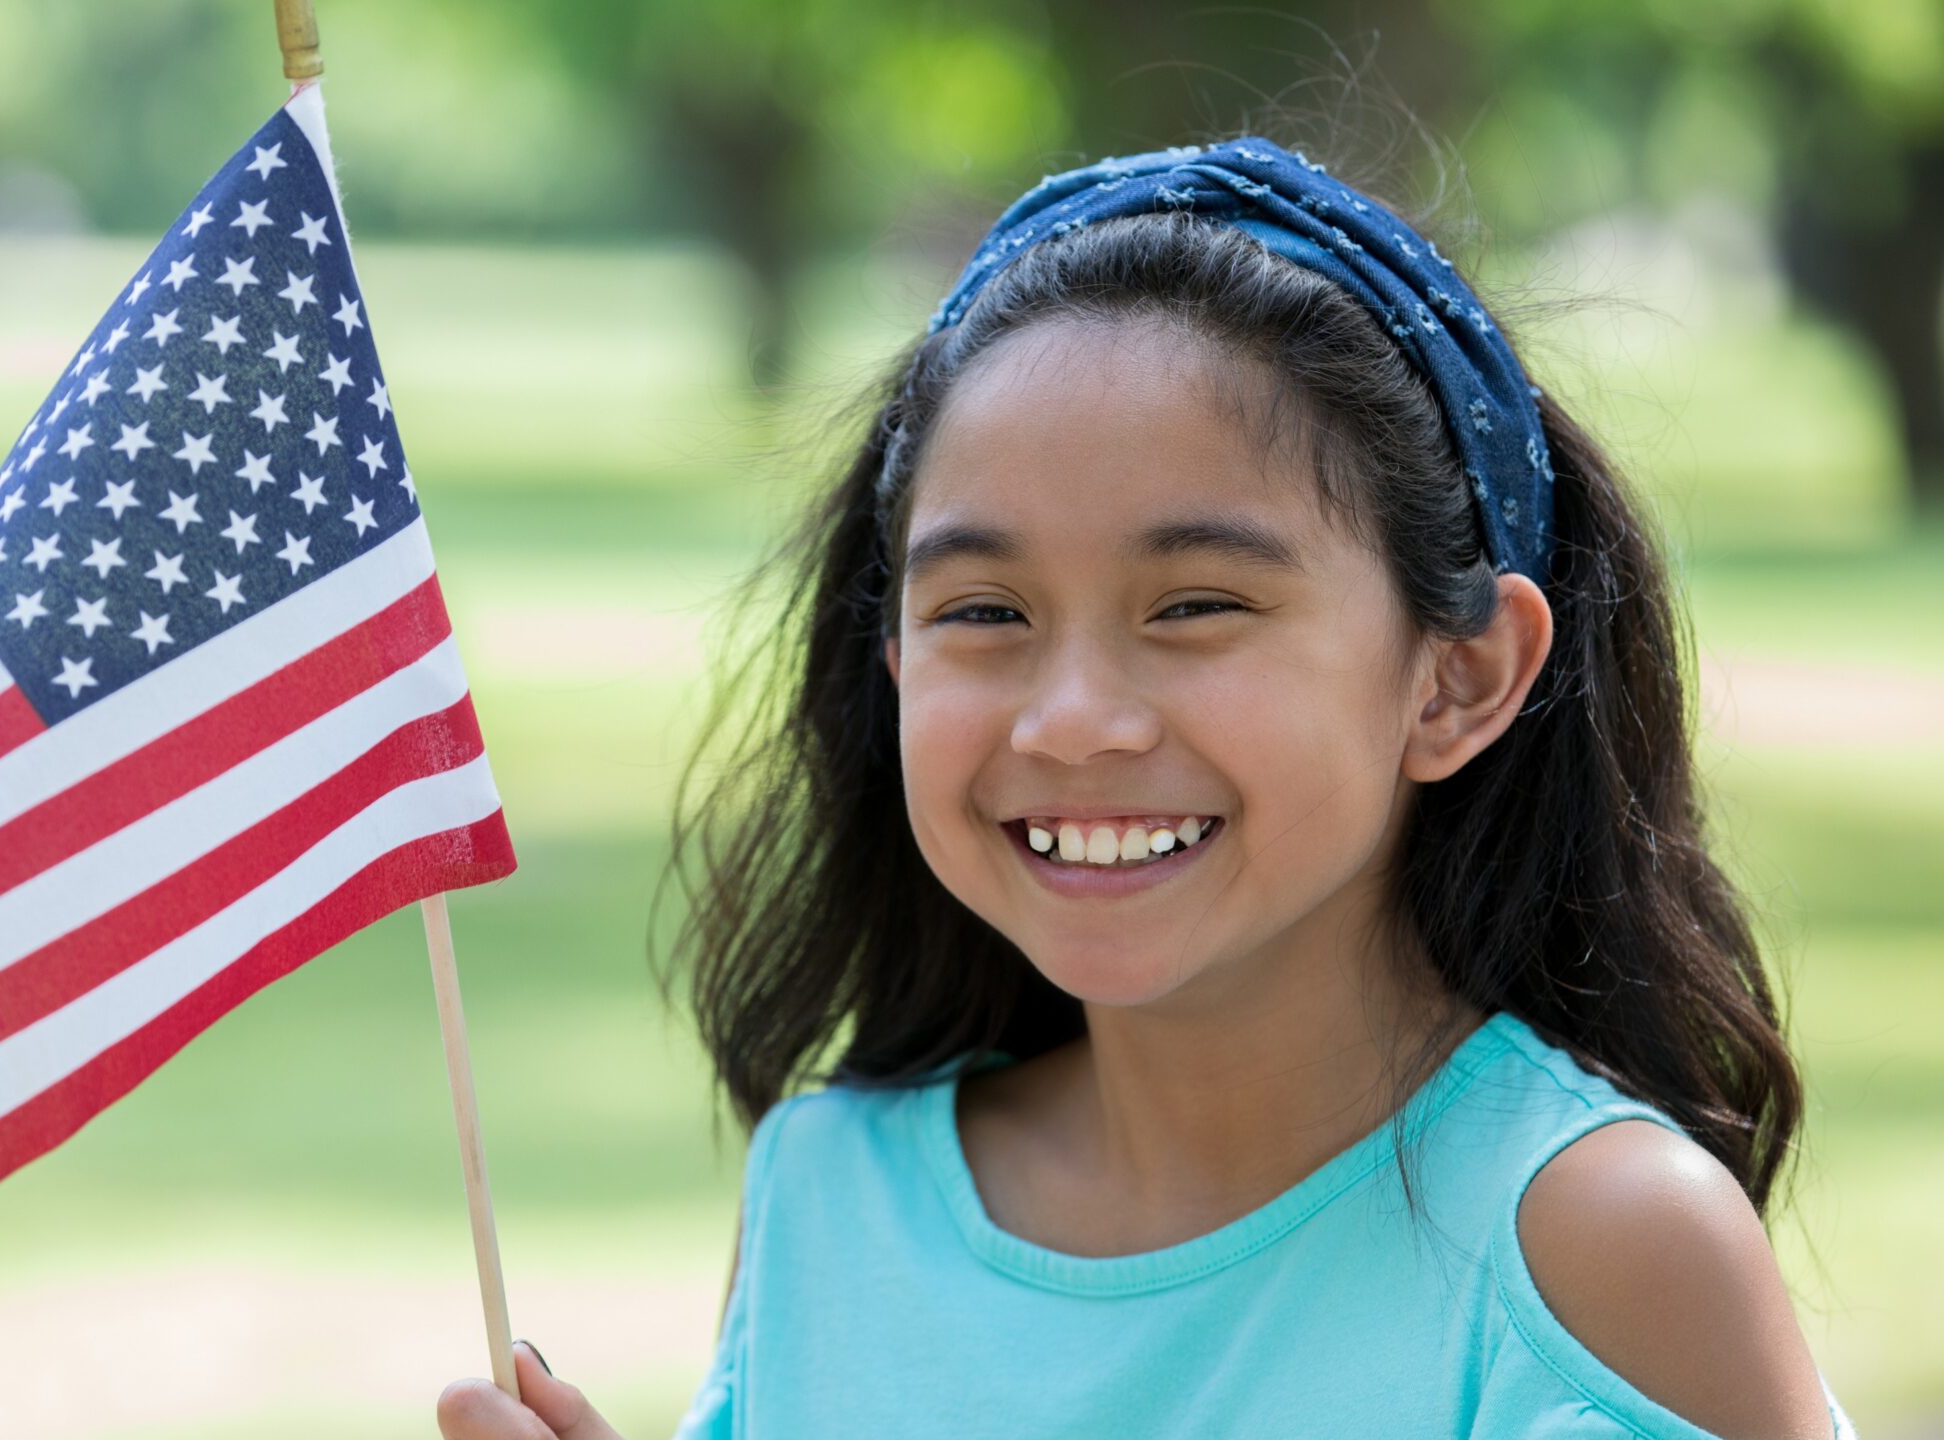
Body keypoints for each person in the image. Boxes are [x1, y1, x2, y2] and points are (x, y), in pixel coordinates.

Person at [436, 134, 1858, 1439]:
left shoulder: (1596, 1247)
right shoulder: (827, 1193)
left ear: (1458, 677)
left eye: (1194, 606)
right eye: (984, 613)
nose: (1072, 723)